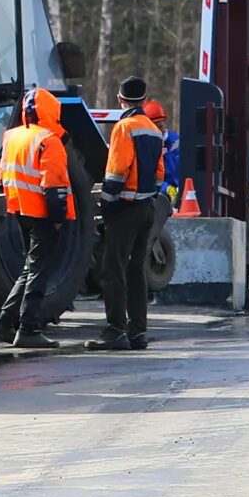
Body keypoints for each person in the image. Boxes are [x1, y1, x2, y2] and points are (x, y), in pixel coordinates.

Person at [0, 88, 76, 349]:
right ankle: (28, 328)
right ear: (52, 111)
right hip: (43, 215)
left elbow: (2, 176)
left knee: (30, 268)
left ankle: (4, 322)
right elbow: (54, 186)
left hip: (19, 210)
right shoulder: (50, 141)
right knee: (38, 271)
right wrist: (58, 217)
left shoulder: (12, 136)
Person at [97, 81, 167, 352]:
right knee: (137, 271)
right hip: (146, 209)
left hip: (124, 210)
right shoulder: (153, 129)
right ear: (144, 99)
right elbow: (159, 174)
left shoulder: (124, 128)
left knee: (113, 270)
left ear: (119, 99)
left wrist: (107, 202)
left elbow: (116, 171)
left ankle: (115, 330)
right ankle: (138, 332)